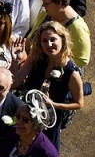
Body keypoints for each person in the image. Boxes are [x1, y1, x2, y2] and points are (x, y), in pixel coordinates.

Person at [15, 20, 84, 149]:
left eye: (53, 39)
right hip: (26, 120)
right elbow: (16, 81)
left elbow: (79, 103)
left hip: (49, 127)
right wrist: (16, 61)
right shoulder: (36, 58)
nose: (49, 44)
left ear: (62, 40)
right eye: (44, 41)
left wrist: (53, 104)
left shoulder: (71, 72)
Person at [30, 0, 91, 71]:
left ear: (59, 3)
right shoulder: (45, 14)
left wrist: (54, 62)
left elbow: (82, 60)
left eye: (46, 3)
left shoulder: (77, 27)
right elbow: (31, 38)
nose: (43, 5)